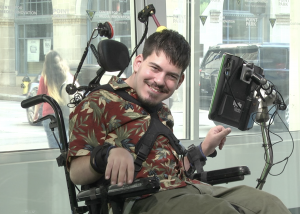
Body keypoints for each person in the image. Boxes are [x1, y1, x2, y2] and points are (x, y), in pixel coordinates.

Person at [66, 30, 290, 214]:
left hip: (188, 188)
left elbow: (172, 168)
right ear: (138, 63)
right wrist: (106, 155)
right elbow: (76, 172)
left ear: (180, 80)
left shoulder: (162, 110)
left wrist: (203, 149)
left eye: (171, 76)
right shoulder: (98, 103)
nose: (159, 81)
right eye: (155, 68)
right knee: (221, 212)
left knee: (270, 206)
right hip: (141, 199)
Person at [33, 50, 74, 148]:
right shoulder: (67, 75)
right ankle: (66, 162)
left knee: (54, 144)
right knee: (65, 142)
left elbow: (40, 96)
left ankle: (56, 163)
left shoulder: (45, 76)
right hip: (64, 112)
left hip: (49, 114)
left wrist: (36, 113)